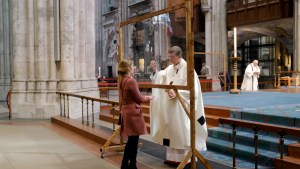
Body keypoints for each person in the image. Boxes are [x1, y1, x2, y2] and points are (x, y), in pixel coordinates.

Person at [150, 46, 207, 166]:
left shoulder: (189, 69)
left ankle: (186, 158)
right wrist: (165, 87)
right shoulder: (170, 68)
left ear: (179, 56)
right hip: (171, 106)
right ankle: (172, 158)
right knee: (171, 131)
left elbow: (194, 90)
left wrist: (177, 93)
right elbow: (161, 76)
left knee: (183, 131)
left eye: (172, 57)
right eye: (169, 56)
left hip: (183, 107)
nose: (170, 59)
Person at [118, 59, 153, 169]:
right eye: (132, 66)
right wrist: (150, 98)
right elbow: (139, 98)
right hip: (133, 113)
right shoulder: (131, 81)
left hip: (127, 111)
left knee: (132, 141)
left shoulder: (123, 80)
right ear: (128, 68)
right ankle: (128, 164)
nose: (134, 68)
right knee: (133, 141)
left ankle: (130, 164)